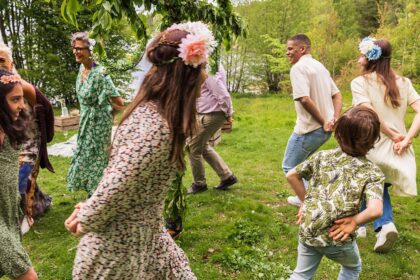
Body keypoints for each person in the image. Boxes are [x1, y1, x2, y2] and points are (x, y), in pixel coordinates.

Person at [64, 21, 216, 279]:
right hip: (116, 252)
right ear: (185, 77)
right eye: (201, 71)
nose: (204, 78)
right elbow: (118, 183)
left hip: (148, 239)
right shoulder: (155, 127)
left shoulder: (159, 116)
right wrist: (87, 214)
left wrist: (88, 207)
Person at [286, 107, 384, 280]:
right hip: (337, 236)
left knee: (301, 275)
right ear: (373, 139)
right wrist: (354, 221)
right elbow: (375, 210)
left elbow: (292, 175)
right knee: (352, 268)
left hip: (308, 229)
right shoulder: (373, 172)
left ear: (338, 133)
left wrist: (306, 203)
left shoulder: (322, 157)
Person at [351, 37, 420, 253]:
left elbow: (370, 113)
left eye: (362, 54)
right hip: (397, 149)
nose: (359, 58)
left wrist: (393, 135)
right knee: (372, 184)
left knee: (372, 184)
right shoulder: (404, 82)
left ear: (370, 58)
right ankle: (361, 225)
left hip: (371, 145)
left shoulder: (360, 82)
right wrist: (406, 138)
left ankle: (384, 224)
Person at [282, 34, 342, 207]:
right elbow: (337, 94)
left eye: (290, 49)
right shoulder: (319, 66)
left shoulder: (298, 68)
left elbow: (304, 99)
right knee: (301, 166)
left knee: (289, 166)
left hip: (309, 129)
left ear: (302, 49)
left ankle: (310, 204)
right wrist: (334, 118)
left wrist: (325, 120)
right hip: (324, 130)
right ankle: (307, 197)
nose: (287, 52)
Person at [0, 43, 54, 234]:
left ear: (11, 62)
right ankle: (37, 204)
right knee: (18, 180)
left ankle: (27, 216)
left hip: (30, 139)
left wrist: (47, 136)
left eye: (2, 60)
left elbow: (46, 107)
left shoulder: (21, 85)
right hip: (13, 142)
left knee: (24, 177)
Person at [67, 32, 125, 196]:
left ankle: (100, 195)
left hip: (99, 124)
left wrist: (107, 112)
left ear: (90, 50)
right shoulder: (82, 69)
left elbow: (119, 103)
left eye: (80, 48)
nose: (76, 52)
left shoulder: (101, 73)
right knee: (85, 156)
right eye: (74, 48)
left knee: (98, 159)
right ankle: (93, 193)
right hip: (85, 122)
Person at [0, 69, 38, 280]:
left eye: (21, 99)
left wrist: (12, 75)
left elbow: (38, 98)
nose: (21, 105)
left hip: (7, 211)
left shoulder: (9, 126)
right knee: (27, 275)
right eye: (15, 99)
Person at [186, 63, 237, 194]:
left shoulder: (210, 67)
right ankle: (227, 176)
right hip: (206, 113)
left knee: (193, 148)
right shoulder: (204, 65)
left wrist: (228, 112)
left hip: (212, 114)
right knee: (202, 146)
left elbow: (223, 94)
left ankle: (199, 184)